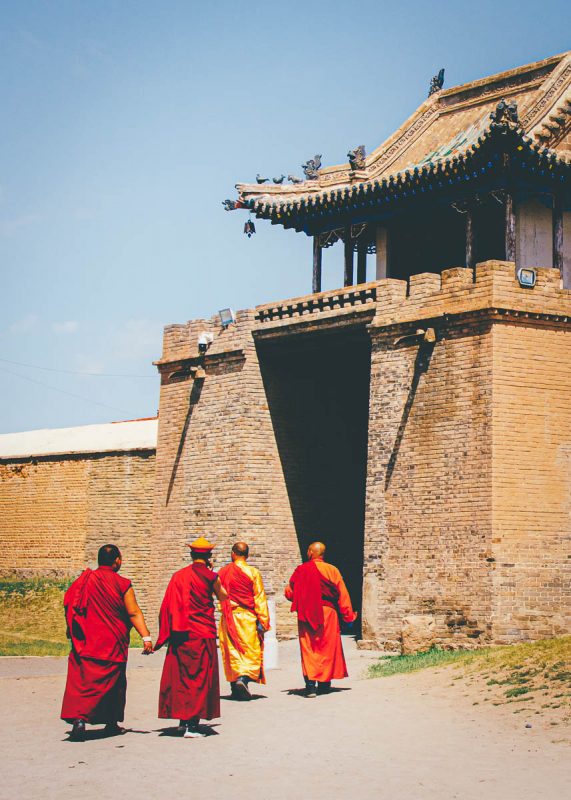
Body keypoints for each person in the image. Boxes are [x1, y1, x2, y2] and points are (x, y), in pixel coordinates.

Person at [61, 544, 153, 741]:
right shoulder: (122, 583)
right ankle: (111, 723)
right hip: (111, 643)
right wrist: (146, 637)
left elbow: (70, 603)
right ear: (117, 560)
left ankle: (79, 719)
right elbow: (133, 612)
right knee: (114, 684)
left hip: (86, 643)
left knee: (83, 682)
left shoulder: (84, 580)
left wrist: (71, 628)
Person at [155, 536, 228, 738]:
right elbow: (223, 596)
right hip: (201, 633)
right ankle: (190, 725)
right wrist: (212, 573)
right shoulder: (210, 577)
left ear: (191, 555)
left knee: (182, 678)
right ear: (209, 557)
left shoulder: (178, 576)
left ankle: (182, 721)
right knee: (198, 679)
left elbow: (167, 605)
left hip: (181, 633)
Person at [285, 541, 357, 697]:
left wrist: (304, 597)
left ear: (310, 552)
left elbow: (290, 593)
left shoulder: (302, 570)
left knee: (309, 646)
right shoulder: (332, 570)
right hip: (328, 613)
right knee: (327, 646)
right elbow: (342, 595)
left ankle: (310, 685)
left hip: (307, 611)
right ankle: (324, 683)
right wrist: (348, 616)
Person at [218, 541, 270, 700]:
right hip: (247, 617)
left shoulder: (223, 572)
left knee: (232, 650)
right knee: (248, 649)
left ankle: (235, 685)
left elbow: (218, 593)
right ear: (247, 555)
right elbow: (259, 597)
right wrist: (263, 620)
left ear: (233, 553)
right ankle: (243, 679)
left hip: (229, 616)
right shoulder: (253, 572)